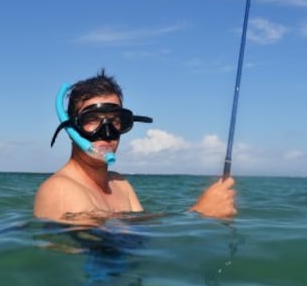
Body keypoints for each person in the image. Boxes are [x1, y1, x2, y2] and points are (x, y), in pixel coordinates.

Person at [34, 69, 236, 223]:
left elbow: (141, 232)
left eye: (115, 120)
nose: (107, 132)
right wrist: (199, 214)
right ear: (72, 128)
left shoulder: (120, 184)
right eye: (92, 119)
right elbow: (102, 248)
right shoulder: (59, 190)